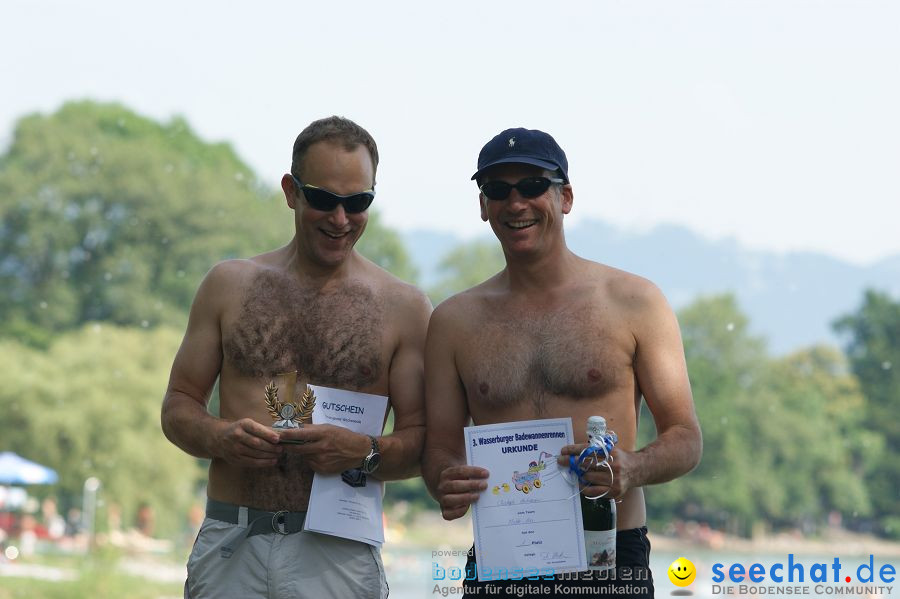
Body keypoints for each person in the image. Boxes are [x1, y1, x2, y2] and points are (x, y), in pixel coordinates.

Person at [422, 128, 702, 597]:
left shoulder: (634, 302)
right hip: (502, 563)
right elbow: (440, 451)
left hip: (610, 554)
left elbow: (686, 438)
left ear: (565, 197)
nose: (516, 204)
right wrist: (446, 483)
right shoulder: (454, 321)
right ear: (483, 206)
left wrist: (630, 468)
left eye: (533, 186)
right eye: (498, 190)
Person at [162, 116, 431, 599]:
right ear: (291, 191)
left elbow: (426, 443)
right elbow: (177, 408)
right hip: (233, 540)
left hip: (338, 550)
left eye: (358, 202)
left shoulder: (405, 308)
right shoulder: (228, 285)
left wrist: (364, 453)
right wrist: (221, 437)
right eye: (325, 199)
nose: (340, 218)